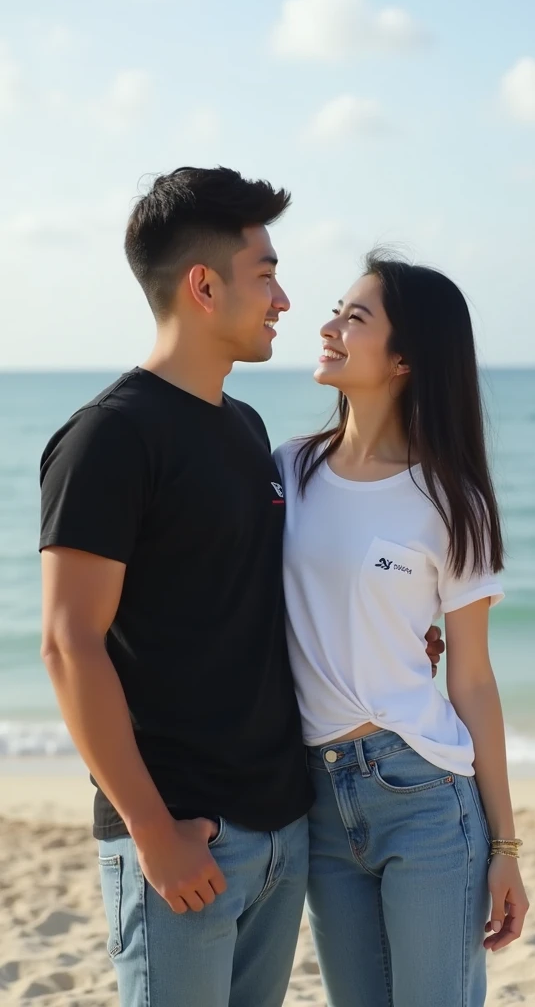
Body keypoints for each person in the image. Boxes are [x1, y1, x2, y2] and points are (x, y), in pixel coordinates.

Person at [39, 167, 444, 1007]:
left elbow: (272, 592)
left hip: (283, 829)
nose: (286, 300)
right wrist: (153, 832)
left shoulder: (246, 429)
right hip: (183, 838)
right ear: (203, 285)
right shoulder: (108, 440)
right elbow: (68, 644)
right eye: (265, 275)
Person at [274, 252, 530, 1007]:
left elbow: (473, 680)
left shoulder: (453, 503)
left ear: (406, 360)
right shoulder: (287, 470)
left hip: (423, 794)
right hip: (316, 797)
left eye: (355, 318)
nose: (327, 328)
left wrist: (507, 848)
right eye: (336, 311)